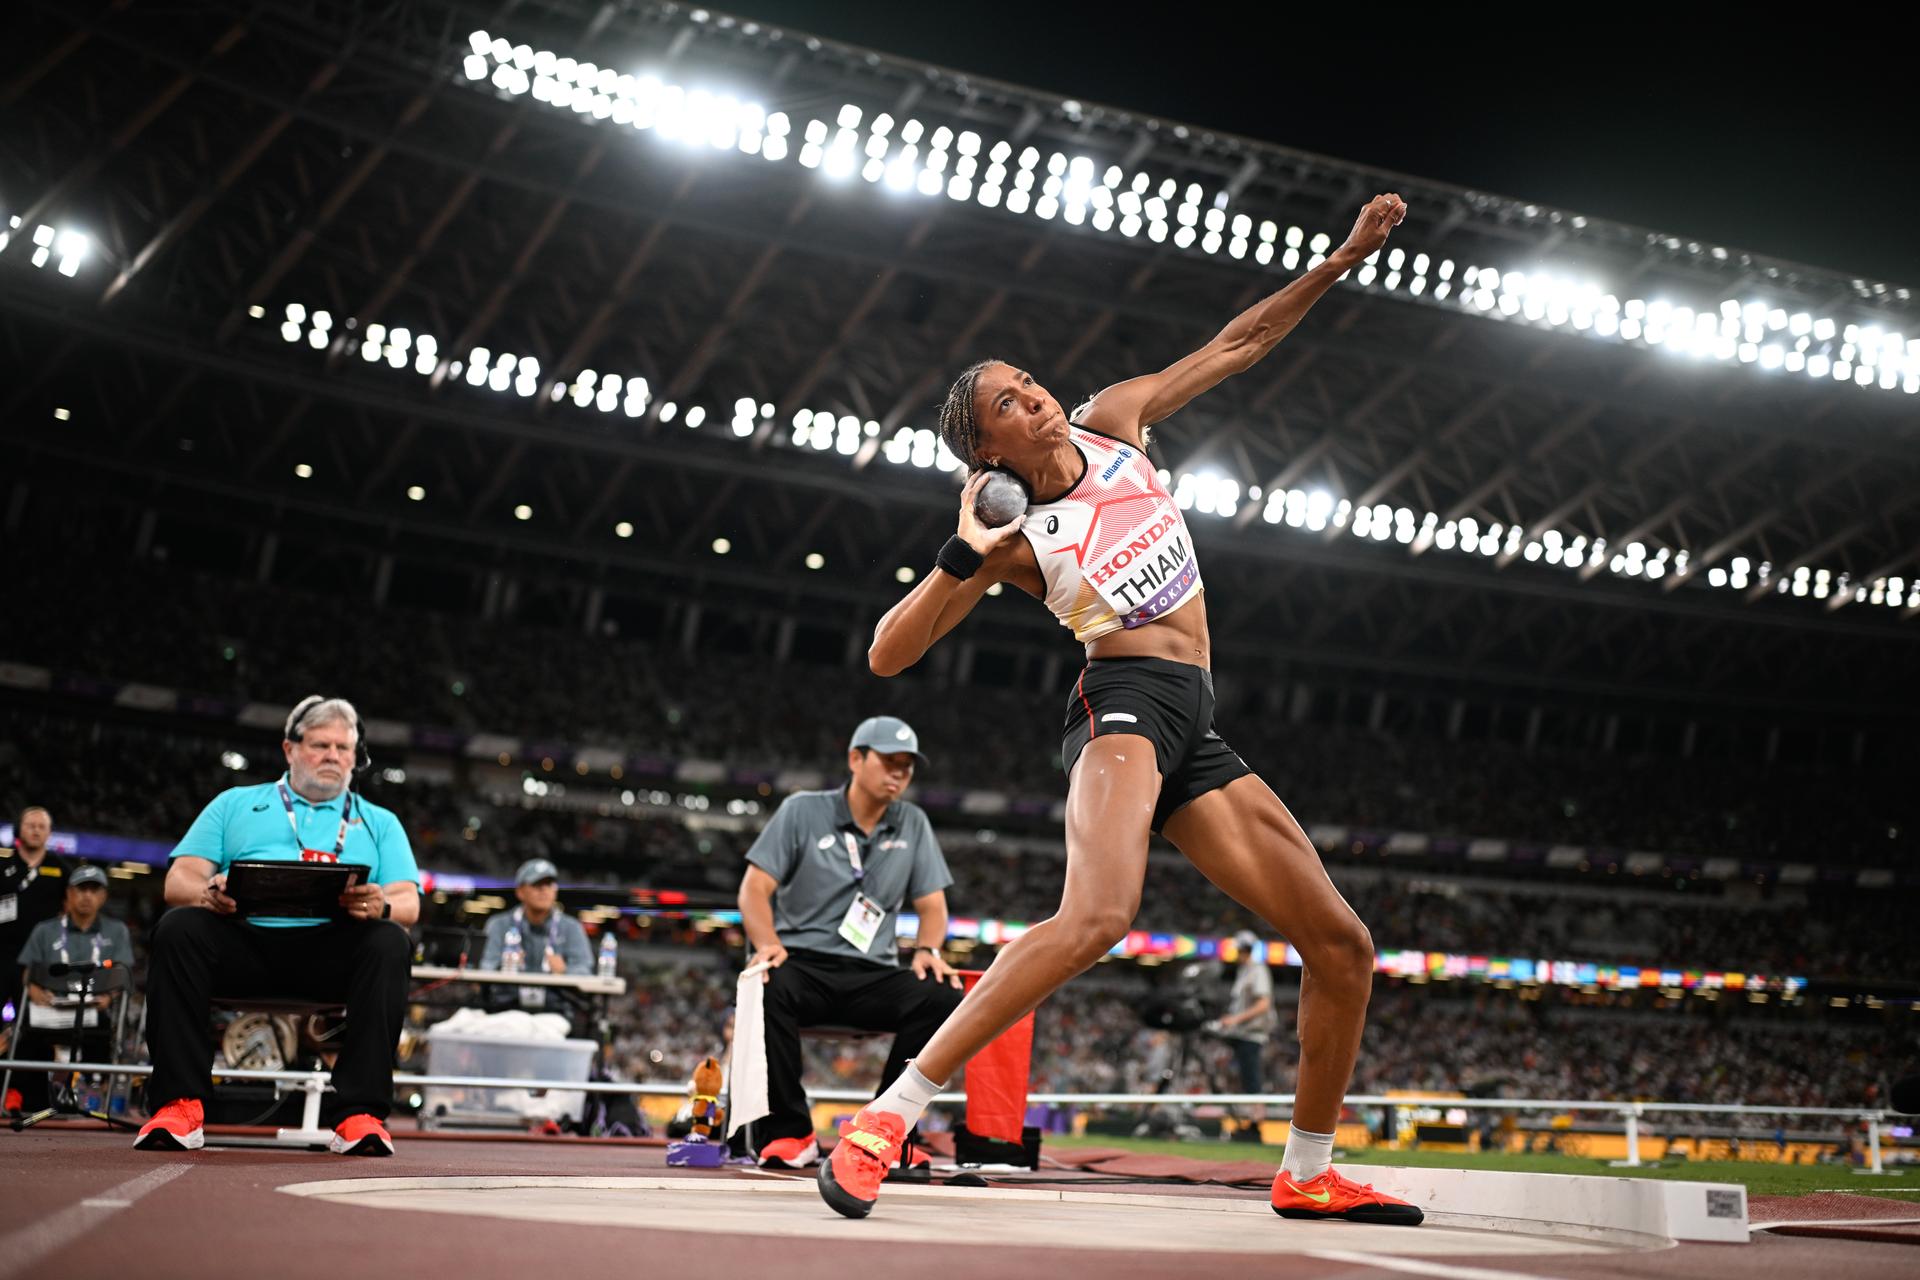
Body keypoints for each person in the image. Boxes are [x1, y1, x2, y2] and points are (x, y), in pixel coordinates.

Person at [818, 195, 1422, 1226]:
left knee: (1343, 944)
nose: (1038, 398)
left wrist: (1344, 257)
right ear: (986, 450)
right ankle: (889, 1114)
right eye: (1010, 402)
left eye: (1029, 381)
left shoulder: (1115, 421)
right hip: (1122, 702)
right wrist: (959, 550)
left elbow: (1244, 337)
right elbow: (887, 652)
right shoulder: (1009, 539)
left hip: (1198, 721)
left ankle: (1308, 1167)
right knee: (1098, 914)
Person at [137, 696, 421, 1155]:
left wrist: (382, 904)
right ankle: (180, 1104)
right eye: (320, 745)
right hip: (243, 944)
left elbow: (409, 900)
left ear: (355, 757)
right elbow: (179, 878)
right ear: (289, 749)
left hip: (330, 955)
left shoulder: (380, 821)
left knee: (390, 940)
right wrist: (206, 892)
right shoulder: (234, 803)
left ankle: (359, 1115)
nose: (333, 756)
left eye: (343, 748)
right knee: (179, 927)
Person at [738, 715, 964, 1169]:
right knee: (765, 984)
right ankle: (790, 1132)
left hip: (873, 974)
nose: (899, 772)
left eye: (908, 765)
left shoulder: (913, 822)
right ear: (855, 759)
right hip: (803, 965)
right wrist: (767, 944)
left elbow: (933, 907)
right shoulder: (803, 811)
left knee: (942, 995)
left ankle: (882, 1129)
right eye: (889, 761)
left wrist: (927, 950)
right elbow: (753, 890)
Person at [11, 864, 133, 1109]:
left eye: (93, 889)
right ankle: (26, 1099)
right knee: (26, 1036)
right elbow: (27, 974)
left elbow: (122, 975)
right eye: (81, 889)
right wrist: (34, 990)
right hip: (50, 1011)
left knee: (104, 1032)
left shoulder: (116, 931)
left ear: (103, 896)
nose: (86, 895)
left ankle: (95, 1100)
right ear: (68, 893)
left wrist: (109, 997)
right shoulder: (45, 930)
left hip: (93, 1012)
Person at [480, 858, 592, 1013]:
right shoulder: (499, 925)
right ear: (520, 891)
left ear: (555, 891)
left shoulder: (572, 927)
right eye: (536, 885)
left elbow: (585, 970)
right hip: (505, 1009)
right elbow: (484, 967)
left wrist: (565, 971)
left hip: (555, 1010)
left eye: (549, 884)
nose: (544, 890)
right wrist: (503, 966)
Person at [1, 807, 70, 1051]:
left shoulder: (60, 868)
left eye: (42, 826)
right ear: (19, 829)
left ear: (50, 833)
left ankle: (28, 1086)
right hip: (2, 953)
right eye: (31, 825)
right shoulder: (4, 864)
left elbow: (71, 909)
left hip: (39, 961)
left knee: (34, 1029)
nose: (36, 830)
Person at [1208, 930, 1277, 1098]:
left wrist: (1235, 1019)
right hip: (1240, 1032)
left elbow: (1263, 1004)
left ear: (1244, 949)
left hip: (1251, 1034)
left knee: (1252, 1081)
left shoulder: (1257, 970)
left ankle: (1255, 1119)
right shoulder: (1244, 970)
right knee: (1242, 1078)